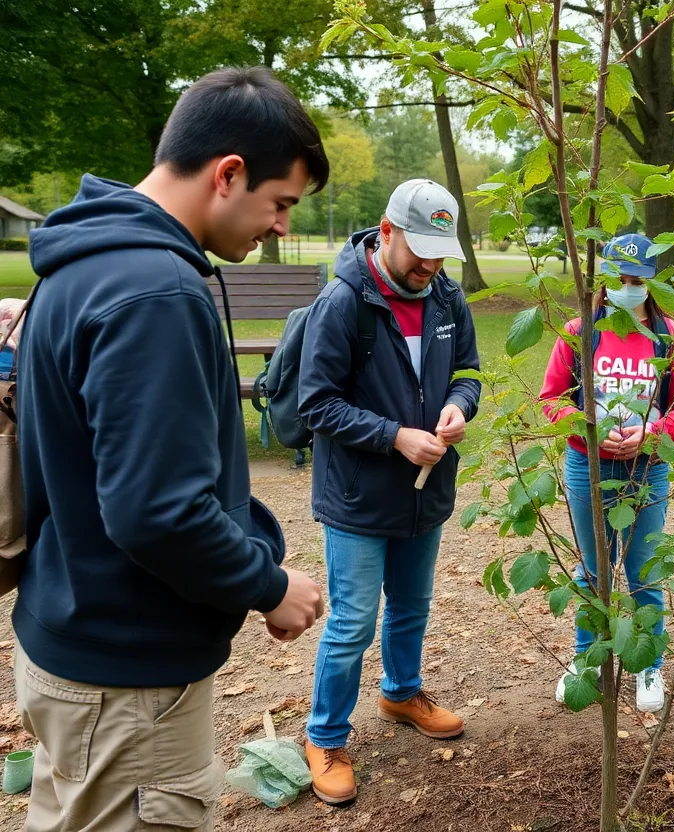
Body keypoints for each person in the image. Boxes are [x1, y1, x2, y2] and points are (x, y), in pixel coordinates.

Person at [14, 66, 328, 831]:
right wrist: (268, 584)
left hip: (74, 643)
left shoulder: (86, 263)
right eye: (280, 202)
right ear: (228, 173)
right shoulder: (154, 291)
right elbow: (157, 511)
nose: (281, 226)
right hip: (126, 682)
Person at [298, 179, 481, 805]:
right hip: (357, 495)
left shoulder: (448, 298)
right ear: (386, 231)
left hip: (424, 494)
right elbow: (316, 402)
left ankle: (402, 694)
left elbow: (468, 373)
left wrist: (460, 406)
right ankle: (324, 737)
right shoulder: (343, 301)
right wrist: (394, 436)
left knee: (412, 606)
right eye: (419, 251)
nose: (429, 265)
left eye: (440, 252)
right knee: (353, 622)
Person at [538, 233, 674, 714]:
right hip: (587, 467)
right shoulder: (579, 332)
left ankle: (647, 662)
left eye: (637, 281)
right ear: (602, 280)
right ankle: (587, 658)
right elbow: (551, 400)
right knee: (593, 569)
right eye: (618, 279)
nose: (627, 288)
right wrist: (586, 429)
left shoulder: (671, 337)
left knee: (645, 572)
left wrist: (652, 434)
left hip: (646, 471)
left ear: (652, 284)